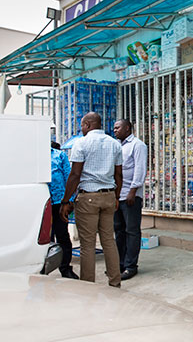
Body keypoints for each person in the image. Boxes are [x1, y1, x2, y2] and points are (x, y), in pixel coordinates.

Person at [60, 112, 123, 288]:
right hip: (109, 196)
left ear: (87, 124)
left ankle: (88, 287)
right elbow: (119, 174)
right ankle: (115, 282)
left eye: (82, 125)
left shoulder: (82, 143)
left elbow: (75, 175)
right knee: (108, 240)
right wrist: (116, 197)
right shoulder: (114, 144)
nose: (81, 129)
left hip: (88, 197)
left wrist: (66, 200)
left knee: (87, 244)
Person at [113, 119, 148, 280]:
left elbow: (140, 169)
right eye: (114, 128)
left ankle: (131, 265)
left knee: (132, 231)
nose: (115, 130)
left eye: (117, 127)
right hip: (117, 196)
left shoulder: (138, 145)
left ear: (127, 128)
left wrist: (133, 191)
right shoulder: (117, 146)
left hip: (130, 196)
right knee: (119, 231)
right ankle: (120, 263)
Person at [48, 141, 79, 279]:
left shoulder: (59, 155)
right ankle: (43, 269)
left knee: (62, 237)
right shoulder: (32, 156)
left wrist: (70, 200)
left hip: (59, 203)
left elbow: (68, 176)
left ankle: (65, 268)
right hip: (40, 203)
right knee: (44, 239)